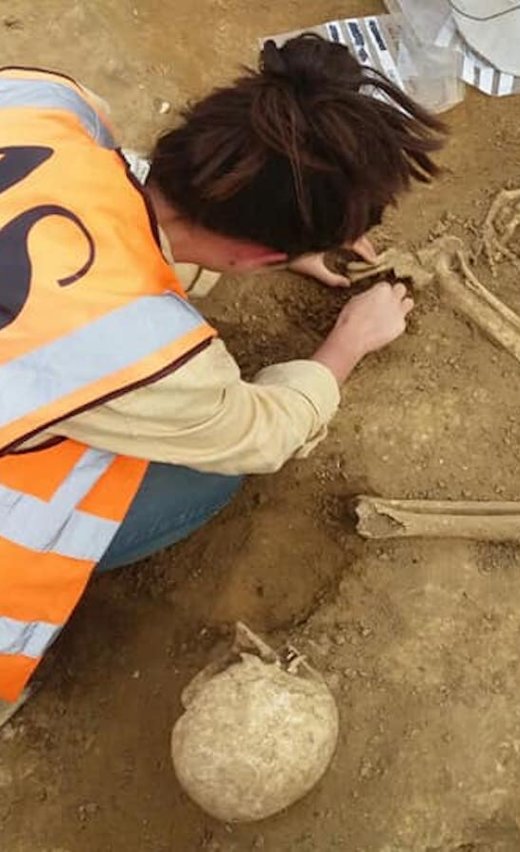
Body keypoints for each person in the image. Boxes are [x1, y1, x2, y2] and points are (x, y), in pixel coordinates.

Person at [0, 34, 445, 711]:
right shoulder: (149, 354)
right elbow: (260, 434)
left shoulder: (39, 100)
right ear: (255, 257)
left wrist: (274, 234)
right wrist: (347, 344)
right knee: (204, 476)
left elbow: (121, 186)